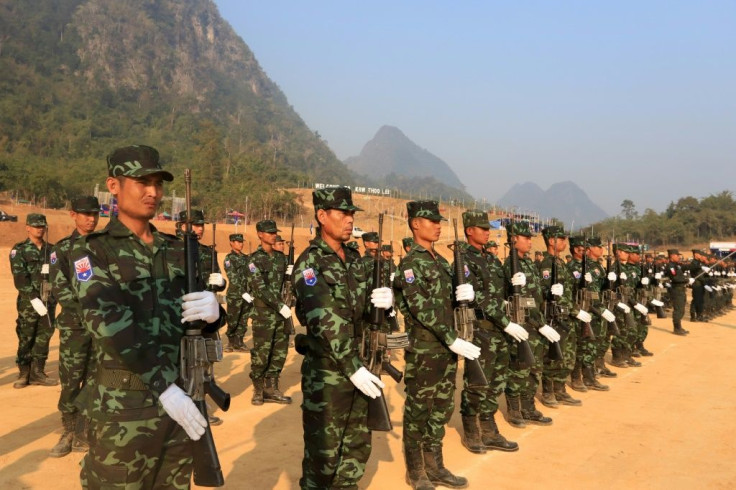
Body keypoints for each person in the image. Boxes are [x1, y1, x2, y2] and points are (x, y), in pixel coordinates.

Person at [71, 144, 223, 488]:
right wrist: (164, 388)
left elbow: (194, 318)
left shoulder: (176, 250)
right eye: (142, 182)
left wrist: (215, 314)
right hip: (123, 411)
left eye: (158, 183)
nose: (153, 192)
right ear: (114, 186)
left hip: (180, 405)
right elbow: (109, 326)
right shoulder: (92, 250)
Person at [292, 186, 392, 489]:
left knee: (355, 452)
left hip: (360, 367)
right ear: (322, 216)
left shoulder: (354, 258)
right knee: (323, 460)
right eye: (343, 213)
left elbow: (362, 310)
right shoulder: (310, 264)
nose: (350, 220)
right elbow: (324, 321)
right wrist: (352, 366)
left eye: (352, 214)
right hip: (328, 376)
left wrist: (385, 306)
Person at [394, 200, 480, 489]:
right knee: (419, 409)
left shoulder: (441, 260)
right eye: (431, 221)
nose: (438, 226)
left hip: (447, 349)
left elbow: (451, 300)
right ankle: (416, 471)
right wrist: (451, 336)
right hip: (426, 349)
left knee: (441, 408)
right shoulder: (410, 264)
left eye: (439, 221)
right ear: (415, 224)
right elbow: (421, 308)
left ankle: (436, 465)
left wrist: (467, 293)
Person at [456, 210, 520, 455]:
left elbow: (501, 291)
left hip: (499, 330)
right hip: (480, 329)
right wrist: (505, 321)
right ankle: (472, 430)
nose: (487, 232)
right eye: (482, 228)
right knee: (477, 382)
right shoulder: (464, 260)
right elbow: (478, 297)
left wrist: (515, 282)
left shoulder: (491, 259)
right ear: (469, 230)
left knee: (496, 382)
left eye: (488, 228)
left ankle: (489, 428)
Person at [49, 196, 100, 457]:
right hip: (75, 327)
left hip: (101, 328)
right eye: (85, 213)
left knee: (95, 378)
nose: (90, 218)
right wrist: (86, 314)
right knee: (71, 380)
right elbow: (61, 288)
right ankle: (68, 431)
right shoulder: (62, 250)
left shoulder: (104, 247)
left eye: (95, 213)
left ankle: (84, 431)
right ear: (73, 215)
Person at [503, 222, 559, 427]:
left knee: (534, 368)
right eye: (525, 237)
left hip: (536, 325)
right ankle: (514, 410)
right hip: (521, 324)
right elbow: (512, 299)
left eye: (530, 237)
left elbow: (535, 297)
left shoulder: (528, 264)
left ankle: (528, 407)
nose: (529, 240)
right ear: (513, 239)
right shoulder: (509, 266)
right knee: (518, 369)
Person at [538, 226, 587, 406]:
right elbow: (545, 292)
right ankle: (548, 391)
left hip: (566, 316)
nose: (566, 243)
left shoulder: (559, 263)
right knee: (553, 357)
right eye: (562, 239)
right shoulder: (546, 264)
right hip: (555, 317)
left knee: (566, 356)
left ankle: (560, 389)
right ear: (552, 241)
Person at [10, 213, 58, 388]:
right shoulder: (19, 250)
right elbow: (20, 278)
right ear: (27, 227)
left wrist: (52, 296)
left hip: (48, 301)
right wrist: (32, 298)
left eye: (42, 226)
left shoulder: (52, 251)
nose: (39, 229)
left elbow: (59, 275)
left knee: (44, 336)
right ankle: (24, 373)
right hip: (29, 303)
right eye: (36, 226)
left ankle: (38, 372)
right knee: (26, 335)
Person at [246, 219, 292, 405]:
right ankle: (258, 390)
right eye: (270, 232)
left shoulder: (282, 258)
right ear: (260, 234)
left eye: (275, 232)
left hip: (282, 315)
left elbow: (287, 286)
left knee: (279, 352)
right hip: (263, 314)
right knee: (261, 353)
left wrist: (291, 294)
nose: (274, 235)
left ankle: (271, 388)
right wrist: (279, 305)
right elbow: (259, 288)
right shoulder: (253, 260)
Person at [223, 233, 250, 352]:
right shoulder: (229, 259)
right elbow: (232, 277)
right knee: (233, 319)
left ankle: (239, 342)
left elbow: (253, 273)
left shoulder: (247, 258)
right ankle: (230, 342)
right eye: (238, 242)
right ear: (231, 243)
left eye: (242, 242)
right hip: (235, 295)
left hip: (247, 295)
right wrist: (242, 292)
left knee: (243, 319)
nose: (241, 244)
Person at [664, 248, 690, 336]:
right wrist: (686, 280)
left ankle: (679, 327)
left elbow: (683, 270)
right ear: (672, 256)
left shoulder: (677, 265)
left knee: (682, 308)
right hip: (676, 289)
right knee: (678, 309)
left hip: (681, 289)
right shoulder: (670, 266)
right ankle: (676, 328)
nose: (678, 257)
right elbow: (675, 278)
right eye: (677, 255)